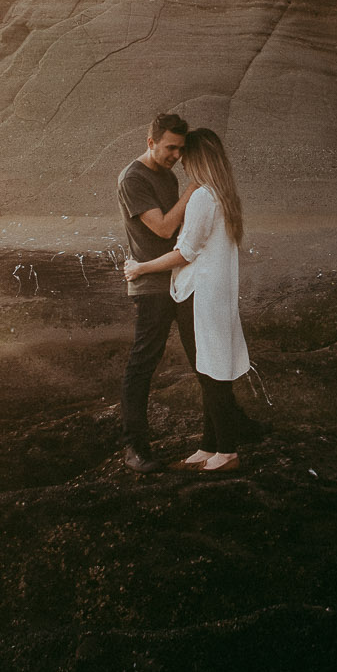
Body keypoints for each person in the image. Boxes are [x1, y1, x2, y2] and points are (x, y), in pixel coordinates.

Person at [124, 127, 266, 472]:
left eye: (185, 156)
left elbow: (185, 252)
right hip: (216, 292)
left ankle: (226, 453)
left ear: (197, 159)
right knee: (210, 366)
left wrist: (140, 268)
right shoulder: (224, 195)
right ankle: (209, 445)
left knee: (211, 370)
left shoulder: (203, 197)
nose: (181, 162)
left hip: (198, 294)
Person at [115, 112, 197, 473]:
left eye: (180, 149)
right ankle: (133, 446)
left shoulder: (167, 174)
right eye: (169, 148)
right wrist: (194, 190)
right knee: (144, 361)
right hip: (150, 284)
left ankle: (230, 424)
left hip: (177, 276)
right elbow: (164, 228)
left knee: (202, 352)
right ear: (150, 142)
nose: (176, 156)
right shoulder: (133, 177)